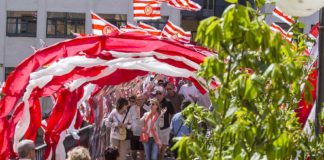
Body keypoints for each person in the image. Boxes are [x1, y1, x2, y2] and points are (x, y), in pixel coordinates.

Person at [152, 86, 175, 160]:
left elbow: (172, 113)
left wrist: (171, 124)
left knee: (163, 149)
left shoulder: (168, 102)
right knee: (158, 149)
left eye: (160, 93)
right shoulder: (152, 102)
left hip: (166, 128)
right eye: (156, 93)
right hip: (155, 129)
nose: (158, 95)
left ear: (163, 94)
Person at [129, 94, 147, 160]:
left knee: (142, 151)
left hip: (143, 133)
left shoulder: (147, 108)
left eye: (141, 99)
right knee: (133, 151)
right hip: (134, 133)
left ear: (144, 100)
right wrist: (131, 127)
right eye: (138, 99)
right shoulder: (132, 108)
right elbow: (129, 118)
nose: (140, 101)